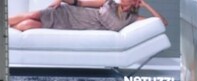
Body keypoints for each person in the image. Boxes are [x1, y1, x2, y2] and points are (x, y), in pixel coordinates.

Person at [9, 0, 167, 32]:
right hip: (69, 12)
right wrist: (61, 0)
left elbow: (162, 23)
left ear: (135, 2)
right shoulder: (109, 3)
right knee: (33, 14)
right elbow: (80, 2)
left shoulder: (131, 19)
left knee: (28, 25)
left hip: (73, 24)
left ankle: (6, 35)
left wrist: (146, 5)